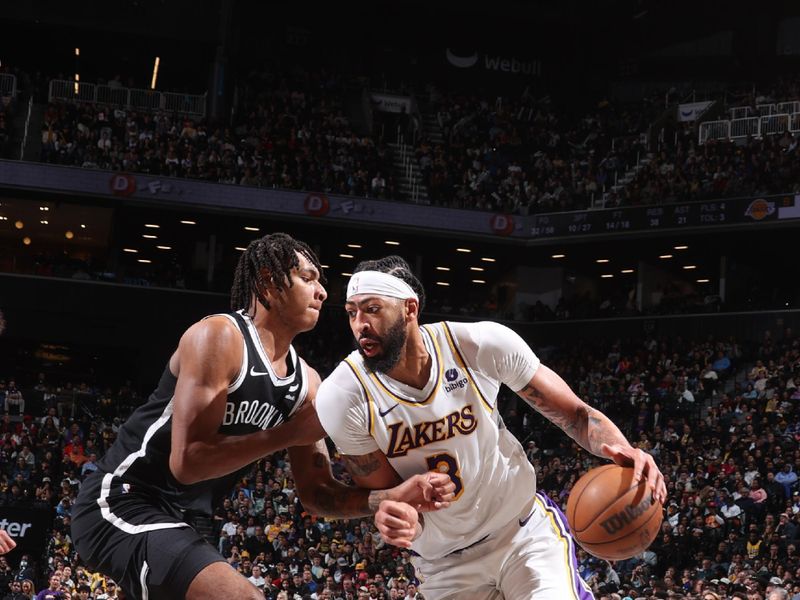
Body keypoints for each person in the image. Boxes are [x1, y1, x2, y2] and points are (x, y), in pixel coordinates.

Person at [71, 235, 453, 600]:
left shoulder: (307, 384)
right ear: (269, 283)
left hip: (184, 519)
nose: (322, 292)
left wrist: (387, 497)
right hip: (122, 500)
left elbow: (317, 494)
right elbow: (187, 463)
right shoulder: (220, 336)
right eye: (308, 278)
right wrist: (286, 434)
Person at [315, 256, 668, 600]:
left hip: (521, 533)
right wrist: (400, 508)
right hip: (444, 564)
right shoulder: (343, 396)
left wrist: (625, 452)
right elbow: (387, 494)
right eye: (352, 312)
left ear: (410, 309)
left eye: (372, 309)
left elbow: (576, 416)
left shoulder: (478, 345)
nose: (360, 324)